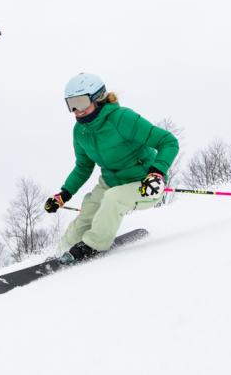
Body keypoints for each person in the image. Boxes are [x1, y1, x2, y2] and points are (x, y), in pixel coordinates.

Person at [43, 72, 179, 263]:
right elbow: (83, 167)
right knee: (88, 211)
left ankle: (93, 245)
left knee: (113, 199)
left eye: (81, 102)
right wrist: (64, 194)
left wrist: (156, 173)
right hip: (110, 181)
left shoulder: (123, 118)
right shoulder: (80, 131)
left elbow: (168, 141)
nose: (77, 110)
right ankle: (59, 255)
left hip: (143, 183)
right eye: (71, 104)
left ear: (98, 98)